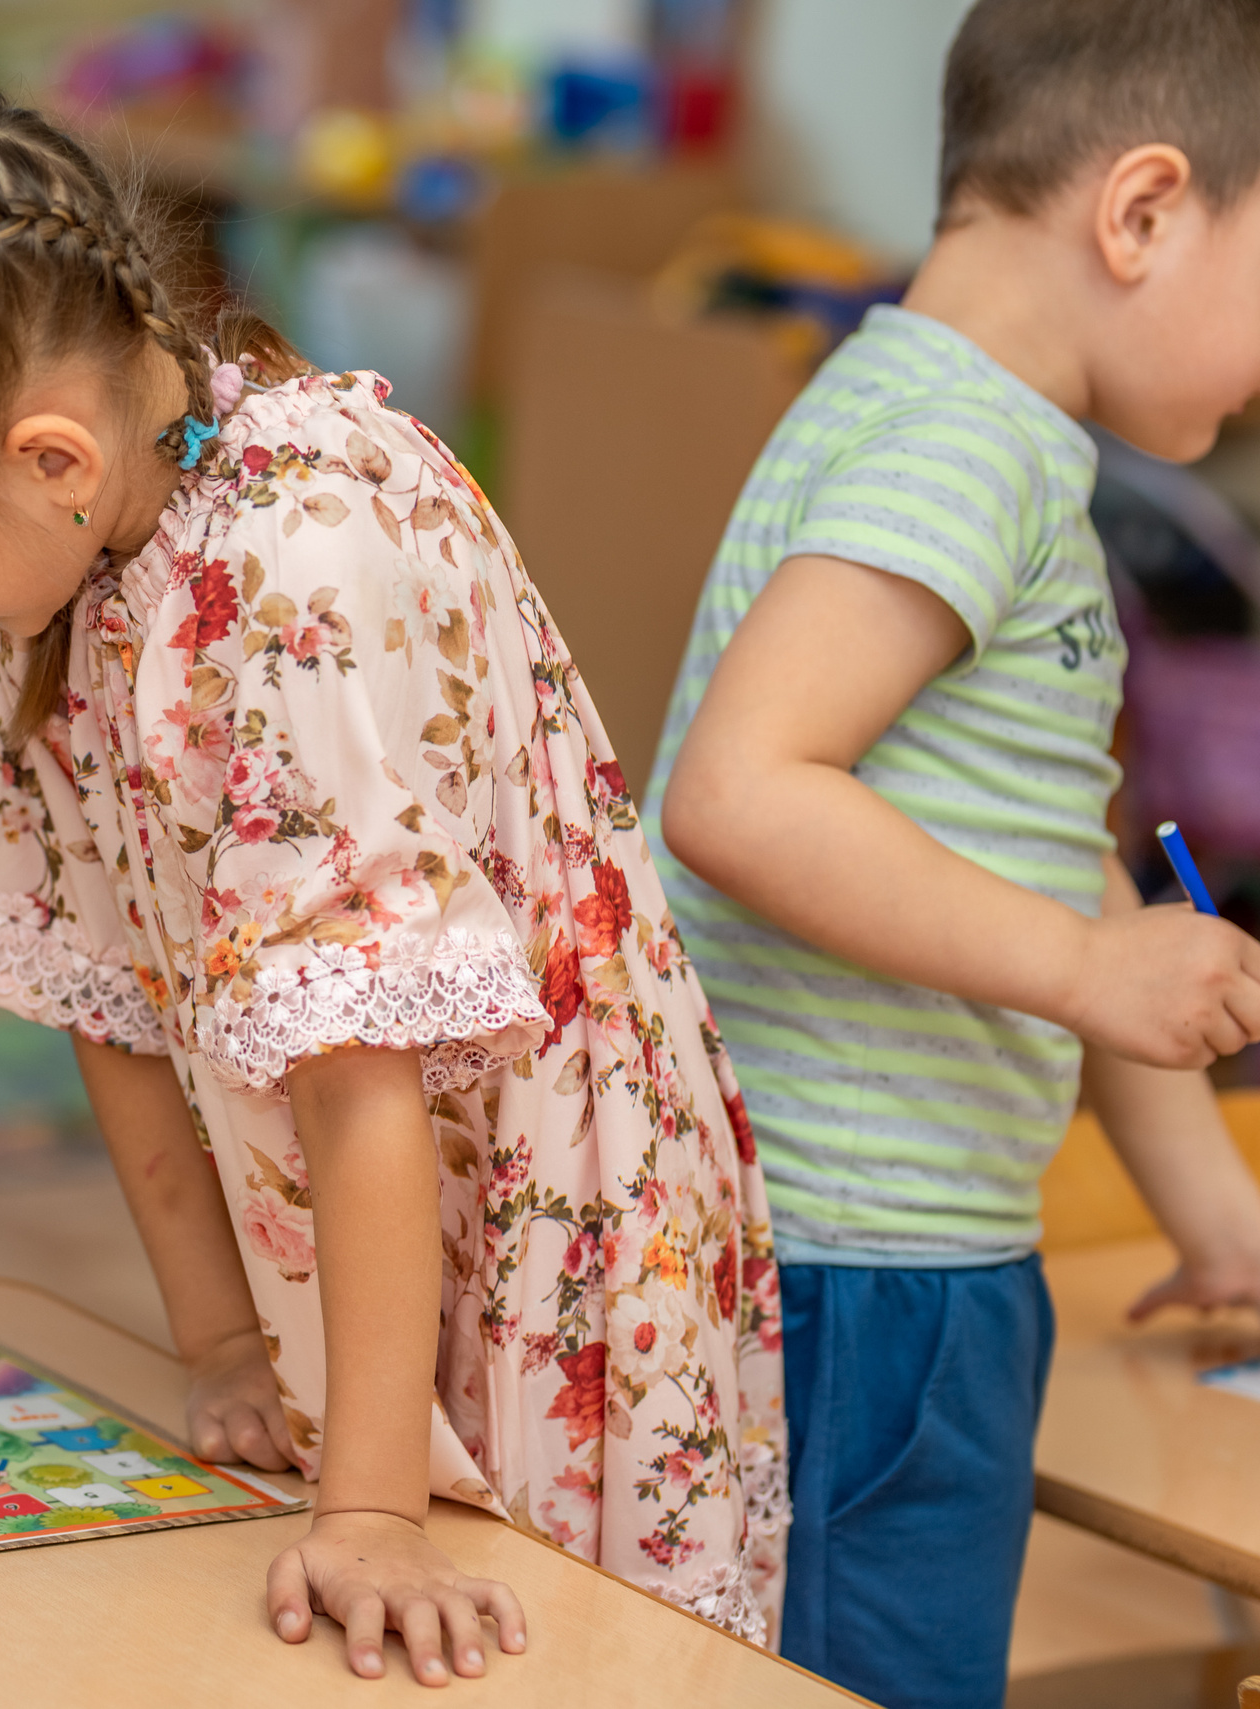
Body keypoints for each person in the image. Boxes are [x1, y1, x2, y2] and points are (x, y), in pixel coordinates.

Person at [0, 83, 788, 1684]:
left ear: (47, 454)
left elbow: (360, 1067)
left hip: (543, 1247)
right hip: (373, 1248)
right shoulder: (75, 553)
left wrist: (374, 1507)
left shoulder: (295, 557)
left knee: (561, 1654)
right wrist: (220, 1338)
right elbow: (101, 986)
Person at [648, 4, 1260, 1703]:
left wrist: (1216, 1210)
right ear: (1141, 211)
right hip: (859, 1266)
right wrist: (1085, 968)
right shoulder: (963, 446)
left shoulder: (952, 417)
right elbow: (743, 791)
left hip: (882, 1251)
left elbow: (1053, 859)